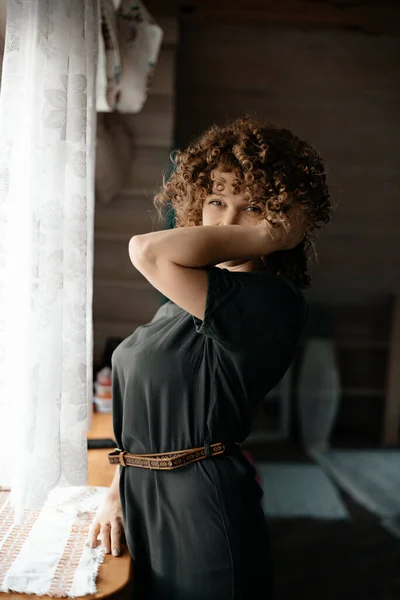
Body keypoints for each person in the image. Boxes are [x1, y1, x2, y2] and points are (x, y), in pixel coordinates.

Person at [88, 116, 332, 599]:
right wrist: (119, 489)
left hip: (203, 514)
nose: (225, 220)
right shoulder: (186, 298)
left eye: (253, 208)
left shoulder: (270, 302)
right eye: (216, 200)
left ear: (279, 218)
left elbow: (147, 252)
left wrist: (273, 237)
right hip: (148, 500)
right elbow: (150, 416)